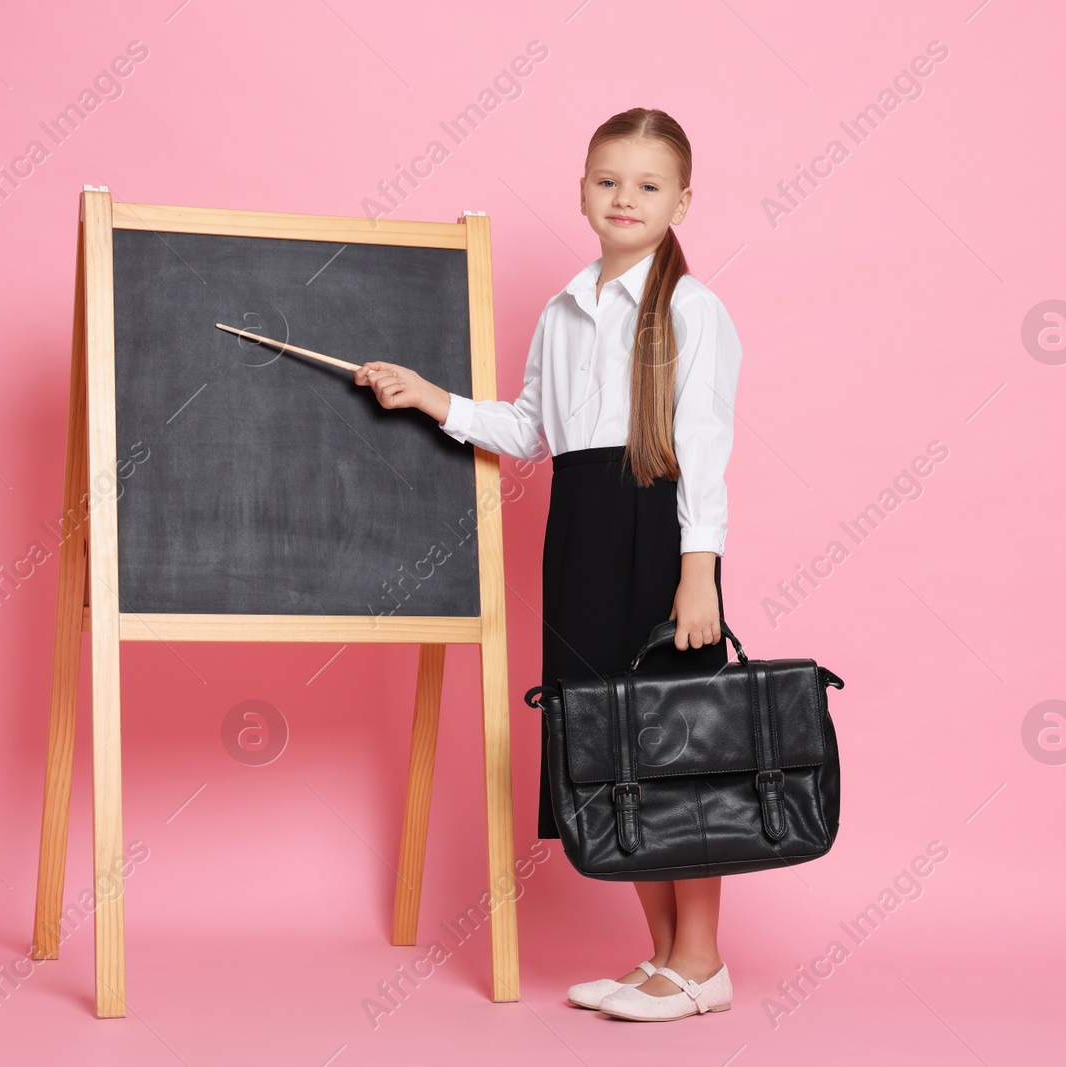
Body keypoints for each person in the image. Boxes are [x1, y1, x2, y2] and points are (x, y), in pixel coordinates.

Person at [354, 108, 742, 1023]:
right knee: (607, 746)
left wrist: (700, 573)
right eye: (609, 179)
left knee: (673, 744)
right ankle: (661, 958)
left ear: (683, 200)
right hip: (578, 531)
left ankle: (704, 961)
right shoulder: (565, 308)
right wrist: (432, 399)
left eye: (648, 185)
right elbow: (532, 429)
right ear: (580, 190)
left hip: (659, 530)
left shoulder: (693, 309)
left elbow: (707, 448)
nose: (625, 198)